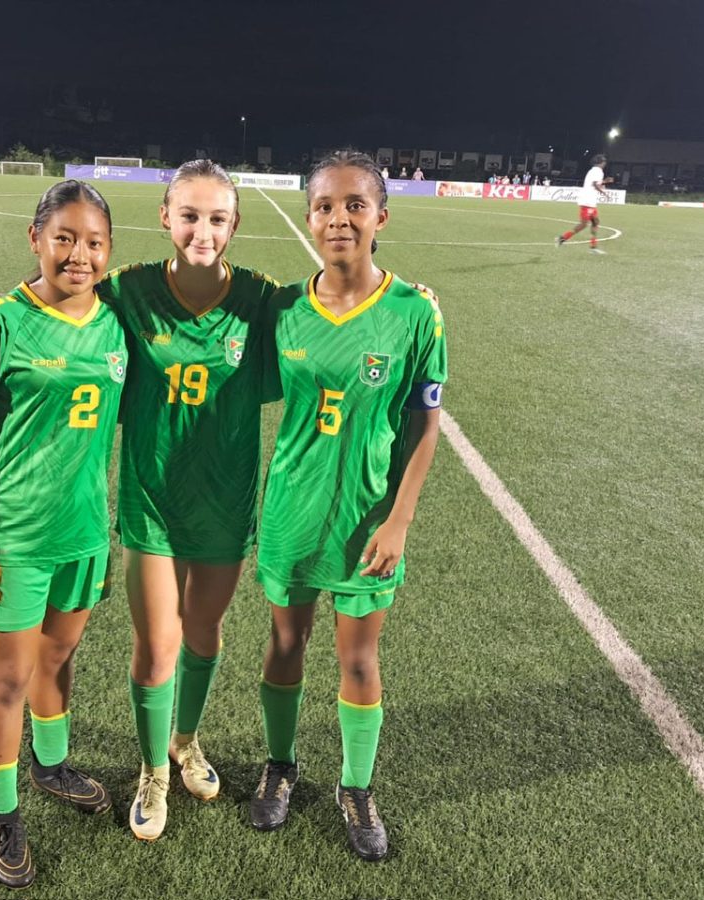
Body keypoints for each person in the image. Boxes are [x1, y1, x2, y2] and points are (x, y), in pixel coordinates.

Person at [0, 160, 282, 842]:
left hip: (222, 506)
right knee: (154, 647)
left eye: (217, 217)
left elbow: (330, 310)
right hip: (146, 508)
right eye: (189, 215)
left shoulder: (259, 299)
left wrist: (409, 294)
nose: (202, 229)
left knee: (199, 637)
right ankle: (149, 771)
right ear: (164, 218)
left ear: (234, 224)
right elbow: (49, 304)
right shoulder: (127, 294)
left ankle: (183, 743)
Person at [248, 150, 447, 862]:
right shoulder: (282, 310)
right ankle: (281, 764)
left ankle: (355, 785)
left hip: (369, 523)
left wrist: (399, 520)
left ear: (381, 217)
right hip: (292, 513)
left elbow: (426, 427)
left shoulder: (413, 312)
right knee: (285, 645)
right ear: (309, 219)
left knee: (358, 660)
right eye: (326, 206)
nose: (339, 218)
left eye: (355, 204)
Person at [0, 180, 125, 888]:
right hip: (10, 538)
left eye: (95, 242)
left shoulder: (116, 323)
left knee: (58, 660)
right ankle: (2, 814)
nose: (79, 254)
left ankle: (50, 765)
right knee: (9, 677)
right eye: (65, 239)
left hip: (82, 533)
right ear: (35, 239)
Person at [556, 153, 611, 253]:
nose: (605, 164)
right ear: (601, 162)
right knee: (584, 224)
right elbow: (594, 184)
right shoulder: (598, 171)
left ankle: (593, 247)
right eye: (604, 162)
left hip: (589, 201)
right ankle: (563, 238)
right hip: (588, 201)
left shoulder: (593, 171)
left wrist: (604, 182)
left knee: (595, 222)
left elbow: (594, 183)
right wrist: (604, 193)